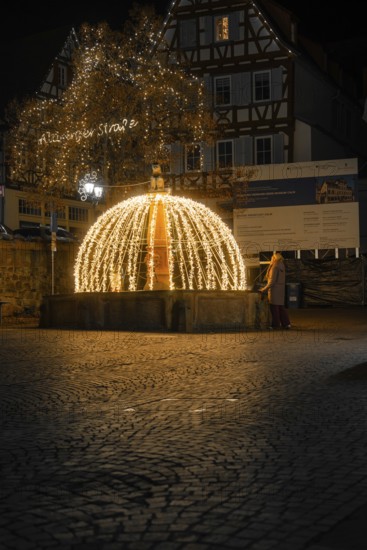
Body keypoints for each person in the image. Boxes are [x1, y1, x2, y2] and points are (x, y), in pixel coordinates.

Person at [259, 252, 291, 329]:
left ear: (274, 258)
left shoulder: (274, 267)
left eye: (272, 258)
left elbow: (272, 281)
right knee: (281, 307)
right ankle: (286, 324)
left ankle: (275, 325)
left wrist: (264, 289)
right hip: (281, 289)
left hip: (274, 290)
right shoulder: (281, 265)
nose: (271, 259)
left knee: (274, 308)